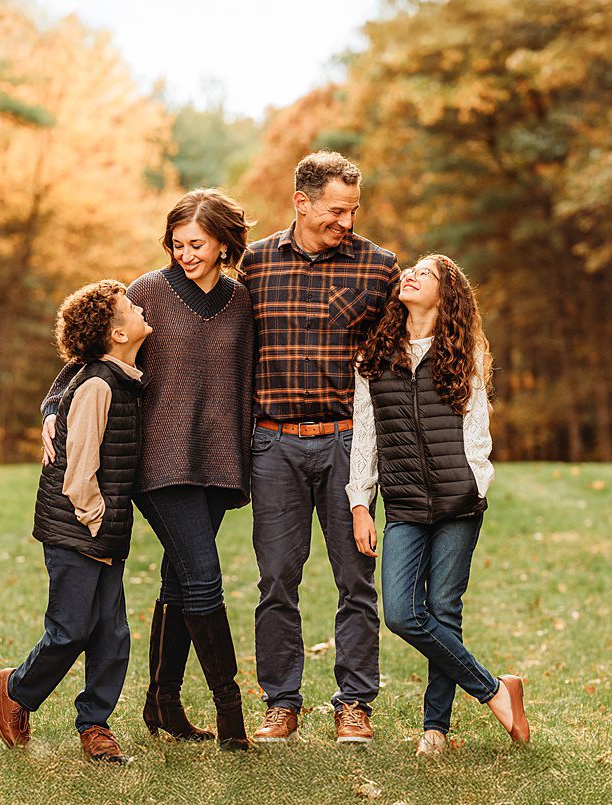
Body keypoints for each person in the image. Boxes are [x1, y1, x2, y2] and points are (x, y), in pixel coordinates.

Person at [40, 189, 256, 750]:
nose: (185, 254)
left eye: (198, 244)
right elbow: (88, 357)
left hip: (220, 458)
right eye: (177, 244)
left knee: (180, 581)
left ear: (224, 243)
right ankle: (230, 711)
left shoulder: (241, 301)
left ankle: (162, 701)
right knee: (204, 577)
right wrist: (50, 408)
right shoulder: (146, 294)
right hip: (158, 461)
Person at [241, 151, 398, 744]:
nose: (347, 222)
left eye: (353, 211)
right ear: (301, 203)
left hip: (347, 445)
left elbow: (394, 361)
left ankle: (354, 702)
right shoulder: (255, 266)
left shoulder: (380, 267)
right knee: (276, 580)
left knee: (356, 579)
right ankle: (282, 702)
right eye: (336, 210)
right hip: (274, 443)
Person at [346, 254, 529, 757]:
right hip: (402, 504)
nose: (411, 276)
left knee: (444, 610)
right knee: (403, 613)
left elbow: (477, 432)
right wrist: (360, 504)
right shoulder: (375, 355)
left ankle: (435, 728)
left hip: (458, 502)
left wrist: (477, 484)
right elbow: (366, 435)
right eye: (412, 271)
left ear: (445, 294)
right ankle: (496, 691)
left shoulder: (460, 354)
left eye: (425, 274)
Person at [0, 279, 152, 764]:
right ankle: (15, 688)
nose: (141, 307)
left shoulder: (120, 376)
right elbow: (79, 469)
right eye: (130, 306)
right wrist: (94, 518)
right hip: (80, 527)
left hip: (104, 527)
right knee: (70, 629)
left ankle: (95, 724)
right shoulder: (99, 384)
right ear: (117, 334)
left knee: (113, 632)